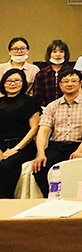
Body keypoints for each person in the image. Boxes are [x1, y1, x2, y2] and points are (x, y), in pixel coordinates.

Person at [31, 69, 82, 197]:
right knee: (40, 168)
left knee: (77, 171)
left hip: (79, 145)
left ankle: (72, 199)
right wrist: (40, 153)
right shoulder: (52, 106)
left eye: (74, 81)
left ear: (80, 83)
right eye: (65, 81)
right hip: (56, 146)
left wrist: (80, 151)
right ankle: (51, 198)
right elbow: (43, 130)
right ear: (60, 85)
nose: (69, 84)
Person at [0, 69, 40, 198]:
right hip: (2, 145)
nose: (13, 84)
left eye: (17, 80)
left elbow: (34, 128)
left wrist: (16, 149)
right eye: (9, 81)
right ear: (3, 83)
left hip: (24, 145)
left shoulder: (31, 102)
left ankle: (6, 200)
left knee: (6, 166)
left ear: (23, 83)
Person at [33, 40, 73, 107]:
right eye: (54, 52)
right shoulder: (41, 74)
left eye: (61, 51)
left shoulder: (71, 72)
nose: (58, 54)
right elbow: (37, 95)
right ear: (49, 54)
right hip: (45, 108)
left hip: (68, 108)